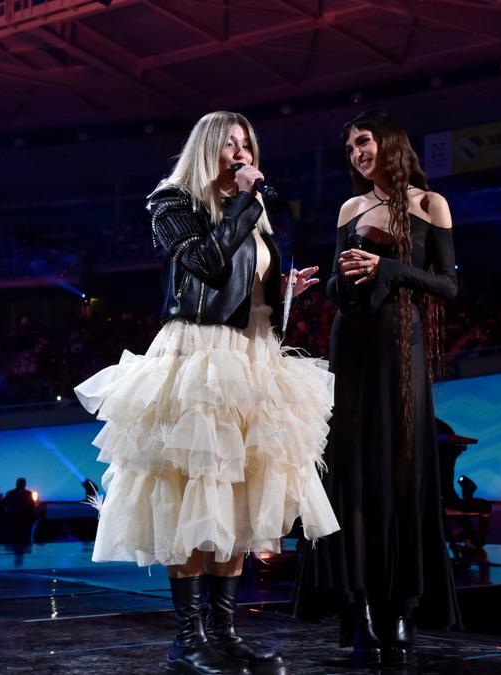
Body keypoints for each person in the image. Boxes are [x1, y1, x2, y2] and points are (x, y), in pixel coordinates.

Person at [74, 110, 338, 675]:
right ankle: (188, 641)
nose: (241, 154)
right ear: (208, 148)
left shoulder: (255, 210)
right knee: (196, 493)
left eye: (248, 145)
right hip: (201, 356)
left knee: (238, 499)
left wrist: (284, 291)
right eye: (230, 145)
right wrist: (244, 204)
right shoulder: (172, 201)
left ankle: (225, 634)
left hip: (252, 355)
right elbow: (205, 264)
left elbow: (246, 285)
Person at [294, 111, 461, 665]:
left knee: (400, 473)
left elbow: (448, 283)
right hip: (353, 345)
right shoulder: (349, 208)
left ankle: (402, 609)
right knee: (356, 476)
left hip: (401, 347)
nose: (356, 154)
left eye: (363, 142)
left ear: (388, 142)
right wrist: (343, 279)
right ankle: (361, 605)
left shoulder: (430, 205)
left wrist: (388, 270)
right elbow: (339, 289)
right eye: (349, 148)